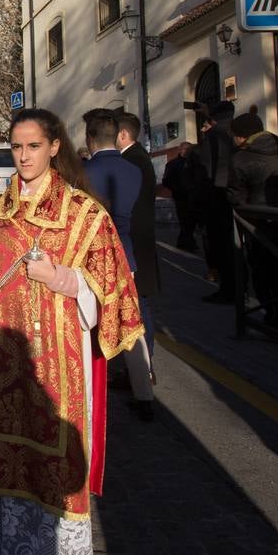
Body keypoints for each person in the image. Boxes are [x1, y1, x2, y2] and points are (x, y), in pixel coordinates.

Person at [0, 108, 140, 555]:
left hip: (60, 355)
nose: (24, 156)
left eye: (33, 146)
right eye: (18, 146)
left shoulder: (82, 213)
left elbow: (110, 283)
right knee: (11, 456)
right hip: (5, 355)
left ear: (54, 147)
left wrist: (64, 281)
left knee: (58, 455)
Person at [81, 109, 153, 420]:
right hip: (126, 254)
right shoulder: (133, 170)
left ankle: (86, 394)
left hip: (93, 256)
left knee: (87, 324)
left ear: (90, 139)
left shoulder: (84, 173)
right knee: (131, 326)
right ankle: (144, 394)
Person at [228, 112, 278, 335]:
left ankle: (276, 320)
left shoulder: (241, 158)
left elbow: (236, 196)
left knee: (267, 276)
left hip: (263, 229)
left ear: (240, 137)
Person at [116, 110, 161, 383]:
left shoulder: (131, 162)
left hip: (136, 242)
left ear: (123, 135)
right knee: (138, 305)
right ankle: (139, 369)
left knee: (139, 308)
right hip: (141, 241)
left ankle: (142, 369)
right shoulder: (138, 159)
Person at [198, 101, 238, 303]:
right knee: (236, 246)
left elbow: (206, 170)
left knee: (222, 246)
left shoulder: (213, 136)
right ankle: (239, 288)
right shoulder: (237, 133)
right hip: (237, 197)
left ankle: (229, 289)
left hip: (217, 198)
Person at [162, 141, 201, 252]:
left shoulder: (196, 163)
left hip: (193, 195)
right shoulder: (172, 164)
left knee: (191, 220)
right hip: (181, 197)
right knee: (185, 220)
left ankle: (186, 241)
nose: (188, 152)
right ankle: (187, 242)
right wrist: (178, 188)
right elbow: (166, 181)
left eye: (190, 150)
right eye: (186, 149)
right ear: (181, 150)